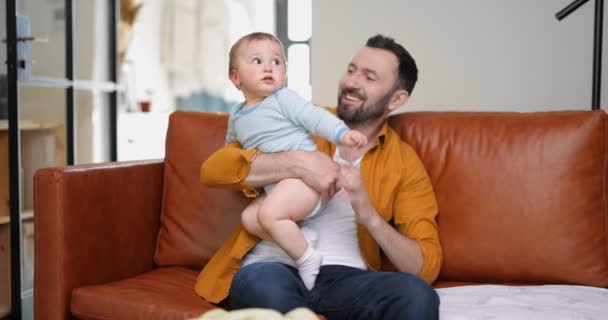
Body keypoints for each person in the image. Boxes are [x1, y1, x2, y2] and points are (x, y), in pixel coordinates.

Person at [196, 34, 442, 320]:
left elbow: (425, 267)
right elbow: (214, 170)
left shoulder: (404, 163)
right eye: (351, 70)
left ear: (397, 99)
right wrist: (296, 163)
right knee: (259, 287)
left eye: (369, 77)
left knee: (417, 295)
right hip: (276, 267)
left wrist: (369, 215)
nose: (352, 82)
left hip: (345, 278)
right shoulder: (299, 119)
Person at [225, 32, 368, 290]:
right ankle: (300, 238)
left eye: (277, 62)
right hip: (278, 188)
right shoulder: (236, 116)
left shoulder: (284, 99)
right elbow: (230, 153)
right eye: (257, 61)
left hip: (305, 182)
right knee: (250, 218)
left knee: (269, 214)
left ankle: (307, 259)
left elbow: (314, 117)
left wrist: (342, 134)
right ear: (236, 77)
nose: (269, 67)